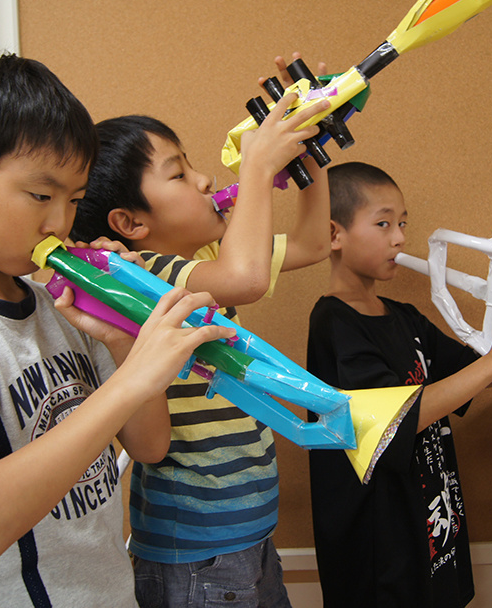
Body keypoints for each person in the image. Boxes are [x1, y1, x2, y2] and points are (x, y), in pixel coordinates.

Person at [0, 53, 235, 608]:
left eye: (74, 200)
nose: (60, 223)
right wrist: (129, 382)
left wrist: (124, 337)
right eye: (41, 196)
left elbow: (150, 445)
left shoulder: (54, 304)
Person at [69, 55, 331, 608]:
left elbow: (312, 242)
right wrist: (257, 167)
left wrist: (310, 151)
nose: (205, 179)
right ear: (131, 224)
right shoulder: (144, 278)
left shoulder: (210, 258)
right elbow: (246, 278)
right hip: (195, 553)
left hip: (247, 534)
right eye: (178, 173)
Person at [306, 161, 492, 608]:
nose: (399, 238)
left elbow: (469, 375)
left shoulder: (405, 317)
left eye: (403, 223)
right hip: (378, 553)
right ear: (334, 234)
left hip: (429, 529)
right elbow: (394, 420)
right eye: (383, 223)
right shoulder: (333, 322)